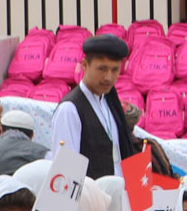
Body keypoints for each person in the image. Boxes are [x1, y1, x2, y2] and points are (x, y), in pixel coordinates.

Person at [41, 34, 141, 177]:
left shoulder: (110, 101)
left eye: (115, 70)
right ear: (85, 65)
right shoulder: (70, 110)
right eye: (102, 69)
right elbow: (66, 172)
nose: (108, 77)